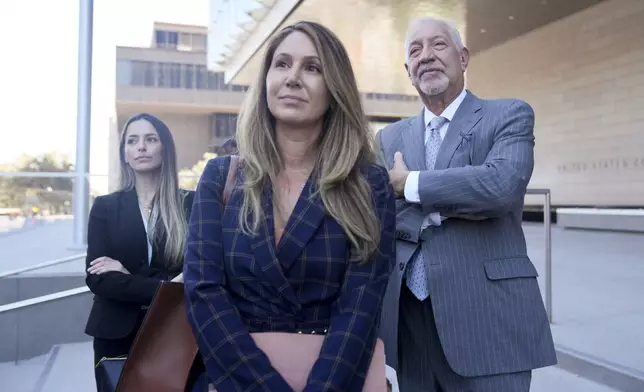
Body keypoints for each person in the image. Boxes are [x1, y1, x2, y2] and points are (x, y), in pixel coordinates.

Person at [183, 21, 396, 392]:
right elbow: (204, 293)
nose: (293, 78)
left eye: (312, 68)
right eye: (281, 64)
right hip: (237, 379)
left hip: (335, 380)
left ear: (335, 88)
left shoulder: (369, 184)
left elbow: (361, 307)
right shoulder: (220, 177)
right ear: (266, 80)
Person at [376, 17, 557, 392]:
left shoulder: (508, 115)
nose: (426, 56)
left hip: (488, 319)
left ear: (463, 58)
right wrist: (460, 194)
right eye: (415, 50)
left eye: (438, 45)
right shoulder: (388, 138)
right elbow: (383, 216)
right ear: (408, 72)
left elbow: (499, 186)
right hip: (410, 324)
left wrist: (409, 184)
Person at [84, 113, 195, 388]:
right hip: (115, 333)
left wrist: (126, 274)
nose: (141, 147)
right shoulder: (105, 207)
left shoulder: (191, 204)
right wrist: (168, 284)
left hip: (174, 331)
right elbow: (98, 278)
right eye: (132, 141)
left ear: (165, 148)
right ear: (124, 154)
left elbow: (195, 273)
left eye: (150, 139)